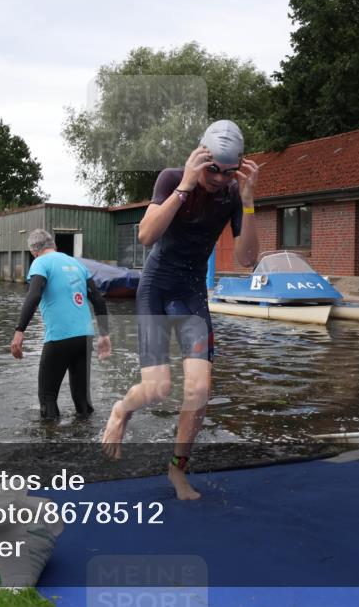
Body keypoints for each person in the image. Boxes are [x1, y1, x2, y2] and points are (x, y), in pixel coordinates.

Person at [102, 120, 260, 500]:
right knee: (158, 389)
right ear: (200, 156)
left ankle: (177, 471)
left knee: (200, 389)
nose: (219, 179)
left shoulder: (234, 194)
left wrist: (250, 201)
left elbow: (248, 260)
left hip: (191, 294)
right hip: (156, 287)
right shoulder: (173, 178)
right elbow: (146, 235)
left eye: (228, 172)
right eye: (212, 170)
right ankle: (122, 410)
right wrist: (186, 187)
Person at [10, 229, 112, 420]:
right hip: (85, 337)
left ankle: (50, 444)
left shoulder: (40, 262)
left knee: (47, 398)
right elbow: (98, 299)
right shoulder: (76, 263)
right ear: (54, 245)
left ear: (33, 251)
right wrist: (105, 335)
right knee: (83, 399)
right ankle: (86, 439)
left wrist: (20, 330)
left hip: (59, 338)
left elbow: (34, 295)